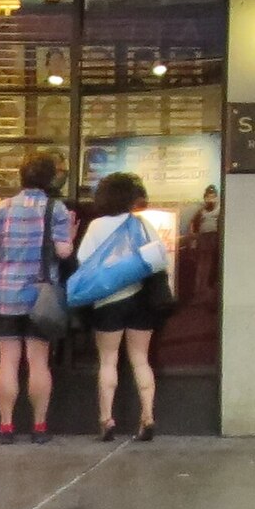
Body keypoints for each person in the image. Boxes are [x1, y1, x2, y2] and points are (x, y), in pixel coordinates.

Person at [0, 154, 74, 442]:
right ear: (49, 179)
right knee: (38, 362)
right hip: (40, 296)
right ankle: (39, 427)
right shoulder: (56, 209)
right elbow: (64, 252)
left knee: (7, 361)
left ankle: (6, 427)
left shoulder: (3, 208)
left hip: (6, 295)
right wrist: (70, 231)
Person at [77, 171, 168, 442]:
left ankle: (107, 419)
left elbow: (84, 261)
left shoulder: (96, 226)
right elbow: (160, 257)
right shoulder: (142, 224)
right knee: (141, 359)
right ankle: (148, 416)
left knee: (108, 360)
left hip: (108, 301)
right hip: (142, 300)